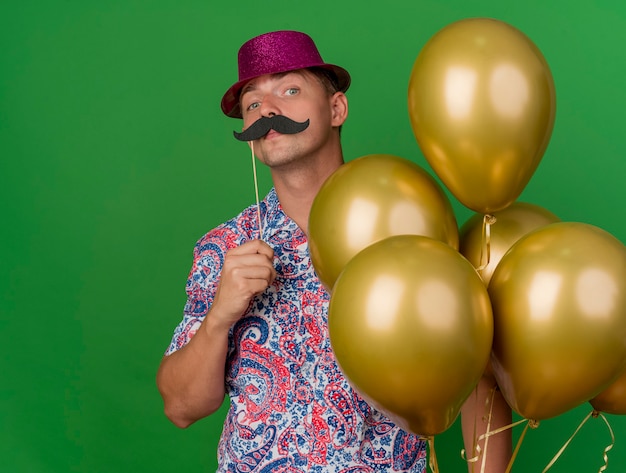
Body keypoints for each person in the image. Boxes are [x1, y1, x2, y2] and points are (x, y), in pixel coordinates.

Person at [157, 30, 511, 472]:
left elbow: (475, 372)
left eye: (289, 90)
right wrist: (219, 317)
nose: (268, 110)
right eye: (253, 103)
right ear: (250, 136)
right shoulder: (224, 248)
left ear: (337, 108)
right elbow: (181, 407)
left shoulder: (408, 223)